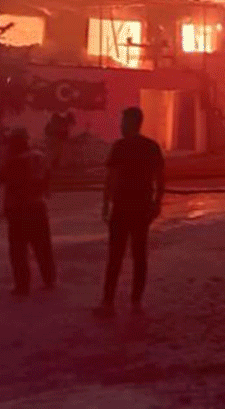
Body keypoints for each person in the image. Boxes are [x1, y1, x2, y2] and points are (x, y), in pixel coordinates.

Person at [95, 107, 164, 317]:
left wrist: (106, 204)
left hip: (123, 208)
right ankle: (135, 302)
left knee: (115, 256)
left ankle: (108, 303)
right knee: (139, 255)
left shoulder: (120, 147)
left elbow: (111, 178)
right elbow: (160, 178)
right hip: (141, 207)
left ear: (132, 122)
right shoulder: (151, 147)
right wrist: (156, 203)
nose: (121, 125)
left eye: (123, 121)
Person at [0, 129, 56, 295]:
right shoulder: (39, 156)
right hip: (38, 206)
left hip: (19, 209)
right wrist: (44, 189)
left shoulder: (15, 161)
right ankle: (49, 278)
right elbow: (49, 175)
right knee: (43, 245)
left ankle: (22, 285)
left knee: (18, 249)